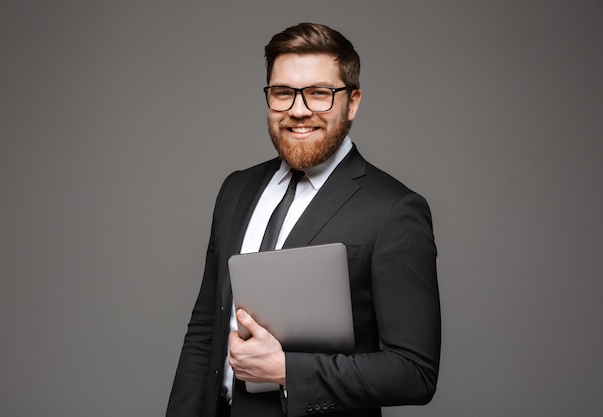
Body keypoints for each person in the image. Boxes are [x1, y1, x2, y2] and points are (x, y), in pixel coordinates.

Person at [166, 22, 441, 417]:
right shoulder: (236, 189)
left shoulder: (395, 211)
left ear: (353, 101)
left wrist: (287, 371)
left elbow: (414, 373)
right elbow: (205, 329)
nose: (298, 110)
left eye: (319, 93)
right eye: (283, 93)